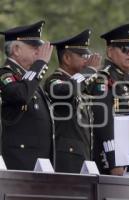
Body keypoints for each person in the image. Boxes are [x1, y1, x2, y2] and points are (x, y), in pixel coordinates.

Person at [44, 29, 101, 173]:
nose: (87, 61)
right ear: (67, 58)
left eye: (88, 56)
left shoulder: (80, 82)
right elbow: (68, 90)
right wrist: (89, 72)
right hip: (66, 158)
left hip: (83, 155)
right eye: (83, 56)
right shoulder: (54, 81)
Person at [0, 20, 54, 170]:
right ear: (16, 50)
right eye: (34, 48)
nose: (39, 52)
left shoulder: (30, 79)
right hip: (19, 162)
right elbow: (20, 94)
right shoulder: (5, 74)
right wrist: (40, 64)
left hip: (39, 163)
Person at [90, 23, 129, 176]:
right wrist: (114, 160)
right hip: (114, 157)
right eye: (125, 49)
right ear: (110, 51)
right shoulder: (103, 79)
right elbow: (103, 121)